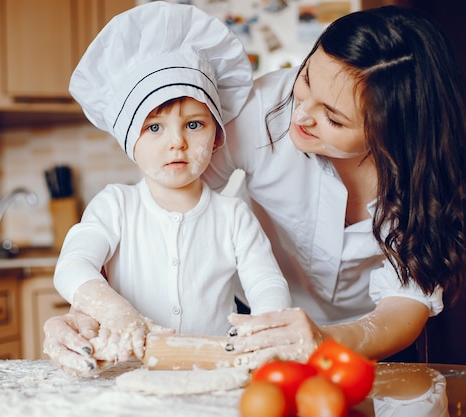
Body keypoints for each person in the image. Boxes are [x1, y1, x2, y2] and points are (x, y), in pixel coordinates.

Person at [44, 5, 466, 375]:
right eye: (307, 80)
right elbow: (172, 213)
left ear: (391, 134)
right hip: (263, 333)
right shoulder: (260, 114)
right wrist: (97, 306)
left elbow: (403, 305)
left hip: (372, 334)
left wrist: (321, 340)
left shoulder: (435, 159)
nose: (302, 114)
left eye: (333, 118)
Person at [45, 2, 291, 375]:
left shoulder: (234, 215)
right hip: (129, 372)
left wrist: (267, 331)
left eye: (194, 125)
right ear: (129, 141)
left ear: (217, 135)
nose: (177, 142)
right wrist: (117, 313)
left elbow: (266, 283)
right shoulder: (115, 206)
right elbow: (72, 267)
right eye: (154, 128)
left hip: (217, 370)